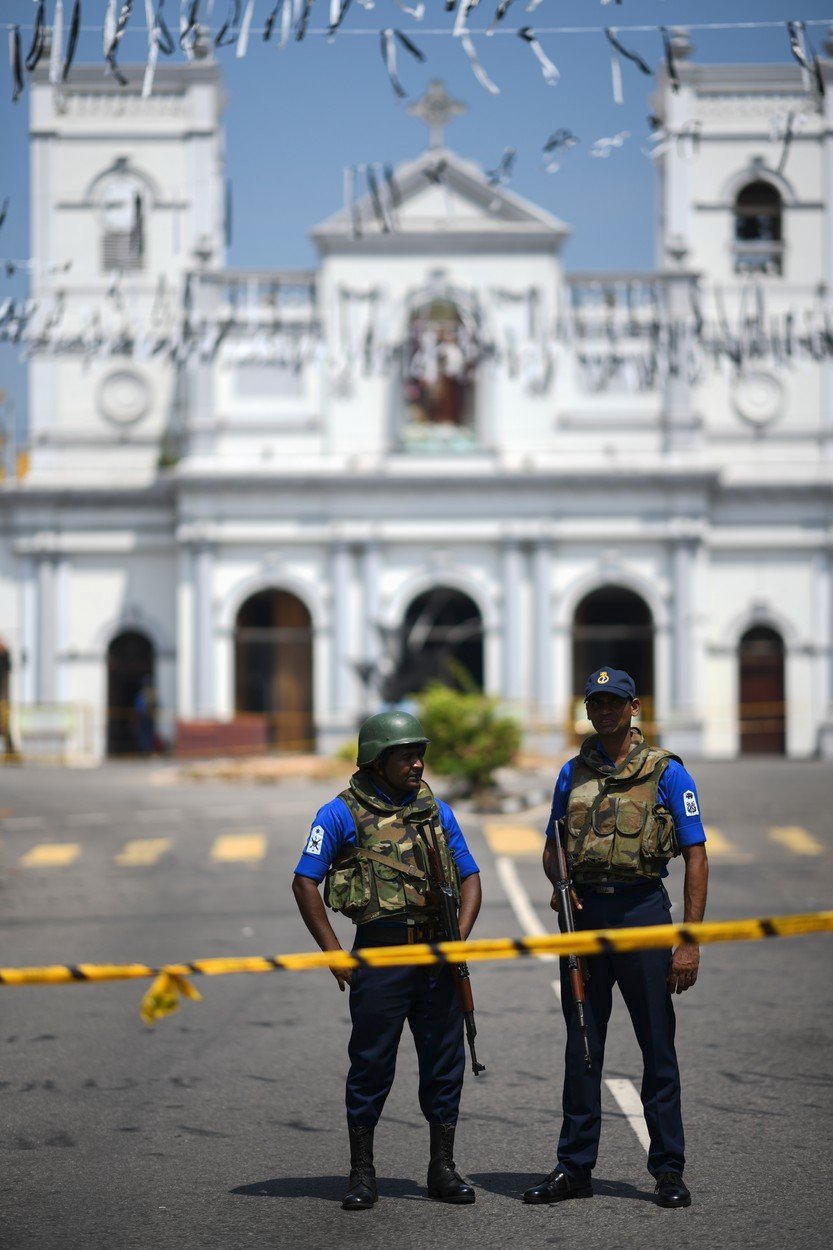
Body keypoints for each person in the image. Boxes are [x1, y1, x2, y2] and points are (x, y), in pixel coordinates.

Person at [524, 668, 708, 1211]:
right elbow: (552, 843)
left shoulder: (667, 773)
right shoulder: (570, 773)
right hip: (586, 920)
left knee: (657, 1046)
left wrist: (689, 941)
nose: (604, 710)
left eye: (615, 702)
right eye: (596, 702)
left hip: (643, 913)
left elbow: (696, 855)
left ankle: (668, 1169)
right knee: (583, 1045)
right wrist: (560, 885)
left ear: (634, 708)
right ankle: (573, 1167)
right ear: (587, 708)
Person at [292, 710, 482, 1211]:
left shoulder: (435, 810)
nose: (417, 763)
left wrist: (457, 942)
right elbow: (304, 880)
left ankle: (442, 1168)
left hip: (437, 954)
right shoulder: (340, 813)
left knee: (444, 1064)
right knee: (371, 1063)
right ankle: (361, 1173)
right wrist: (334, 954)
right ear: (377, 760)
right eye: (405, 756)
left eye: (420, 754)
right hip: (380, 954)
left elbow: (471, 877)